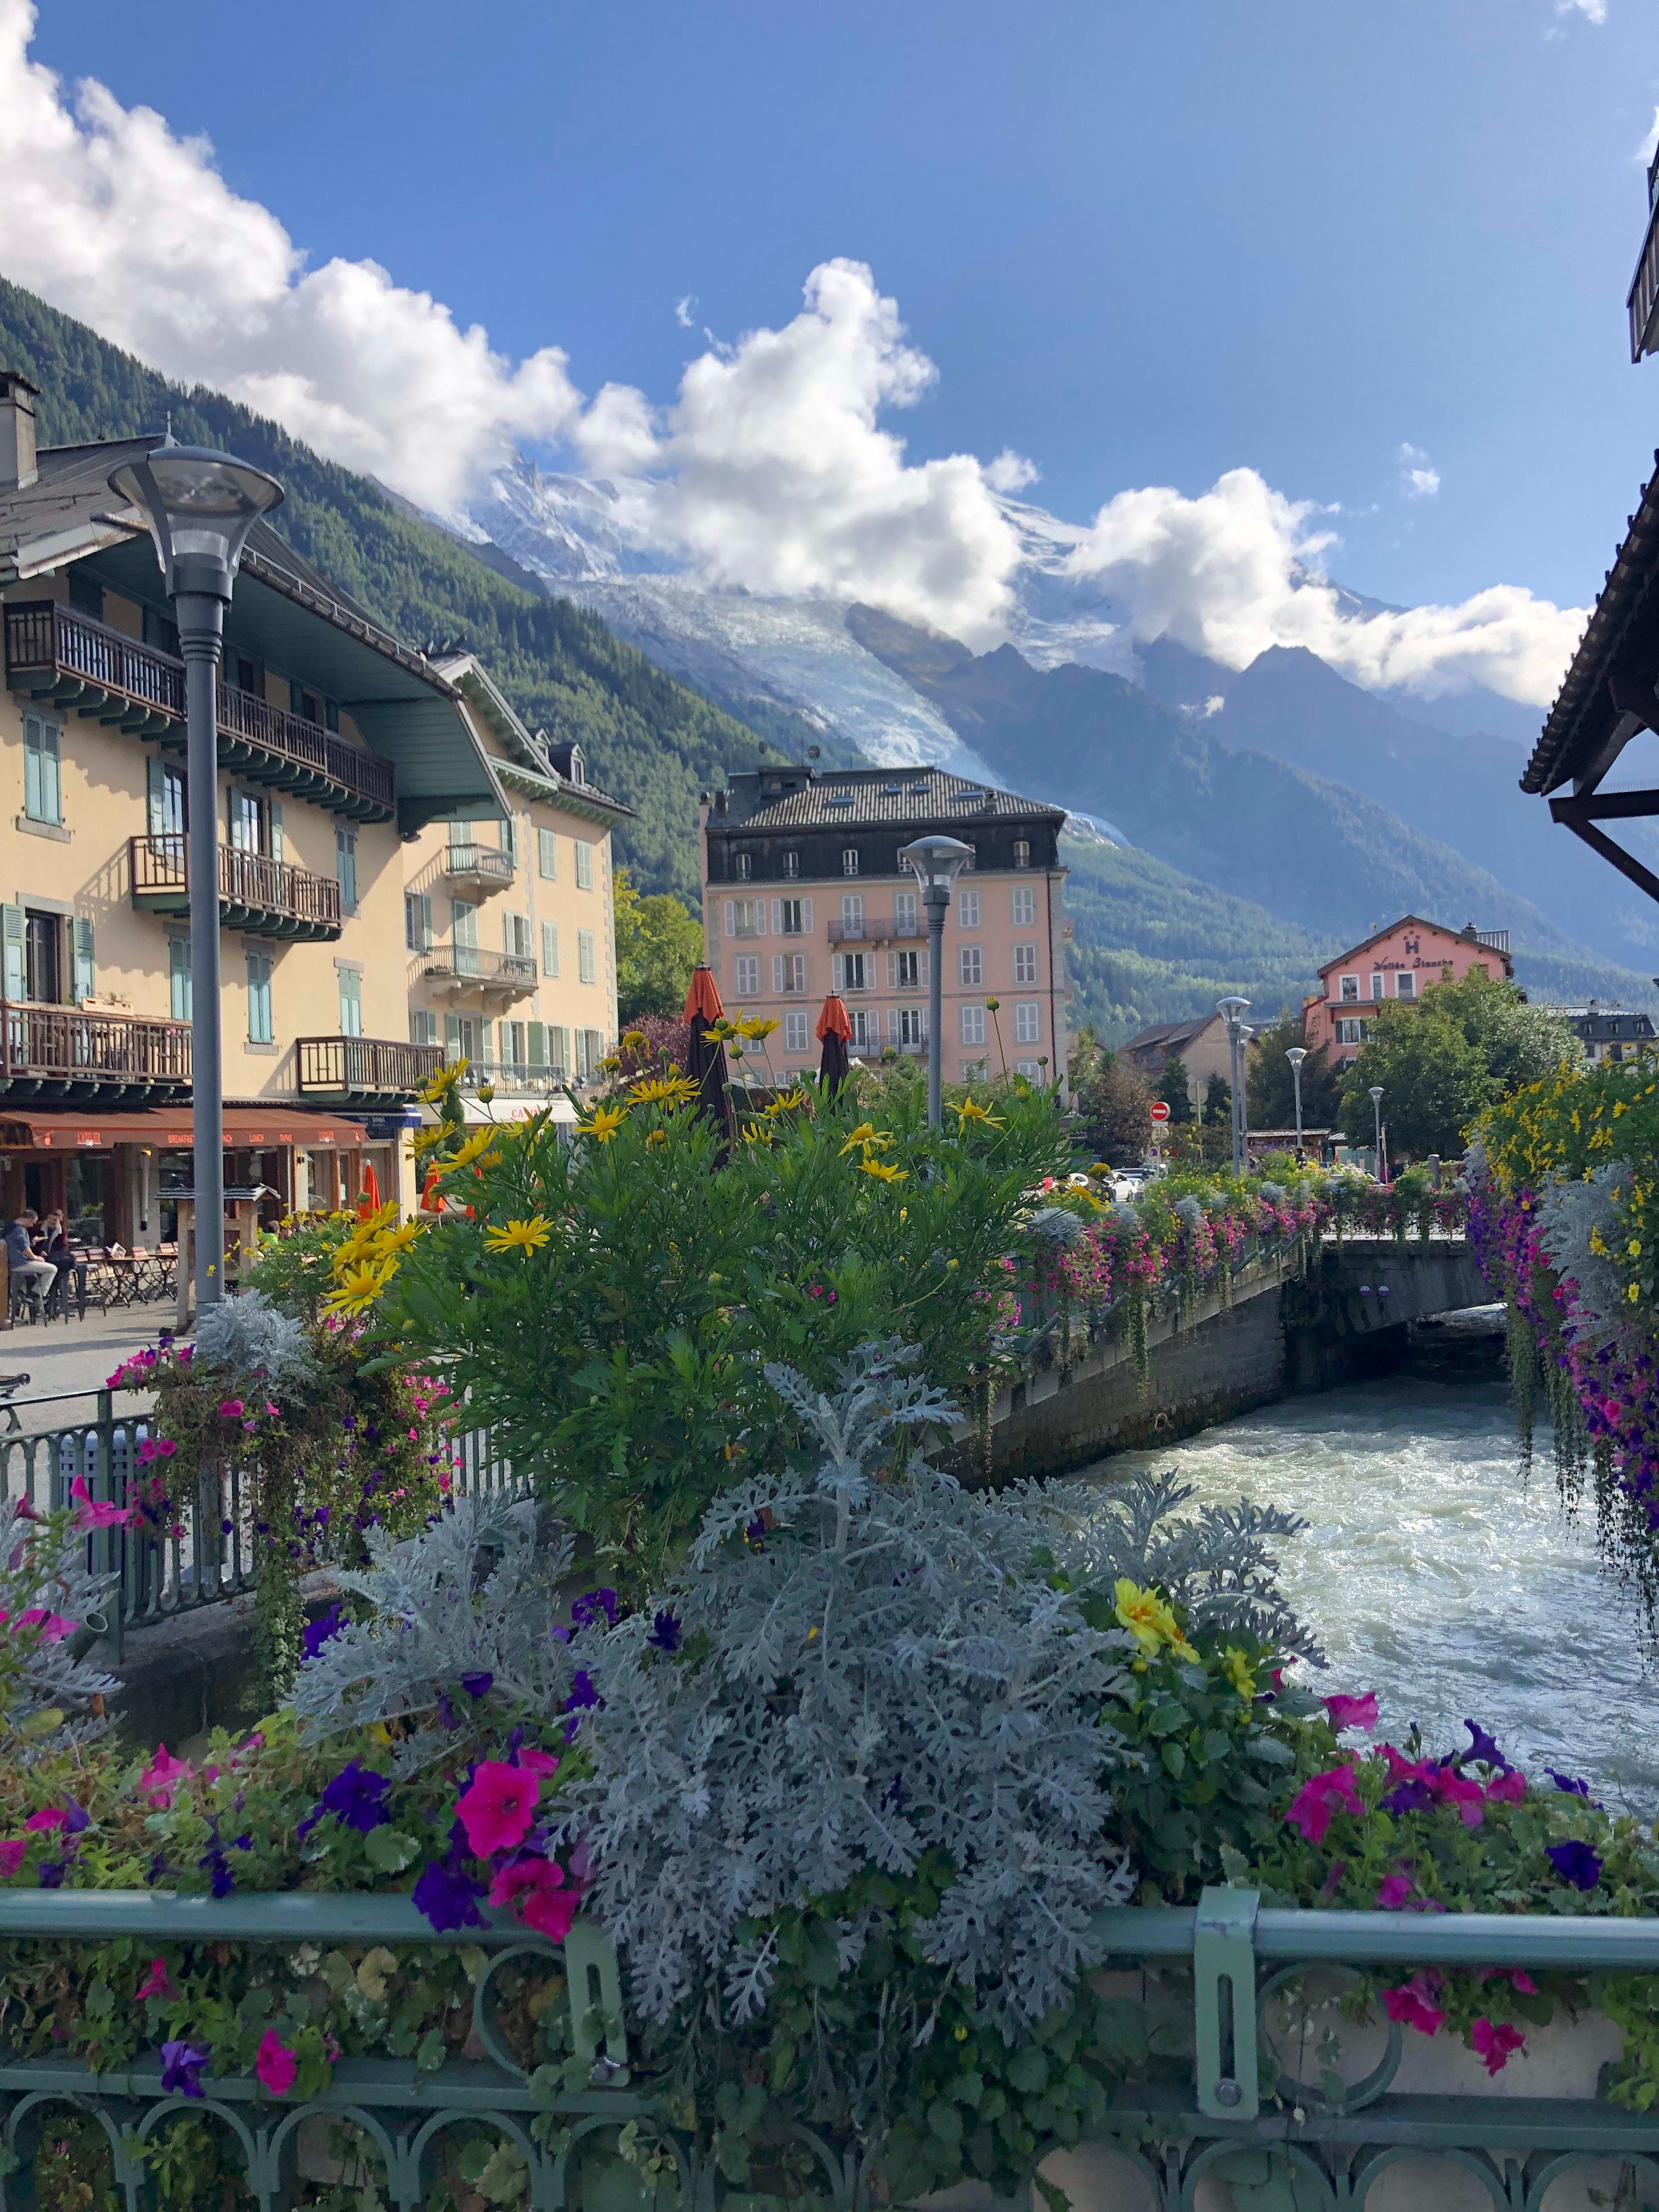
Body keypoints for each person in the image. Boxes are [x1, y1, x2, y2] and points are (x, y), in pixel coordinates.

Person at [3, 1209, 55, 1318]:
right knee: (52, 1269)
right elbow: (25, 1249)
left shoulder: (10, 1227)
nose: (33, 1225)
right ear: (30, 1218)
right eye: (33, 1222)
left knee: (33, 1274)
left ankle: (25, 1294)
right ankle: (36, 1295)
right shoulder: (19, 1230)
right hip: (20, 1263)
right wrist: (35, 1257)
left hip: (10, 1263)